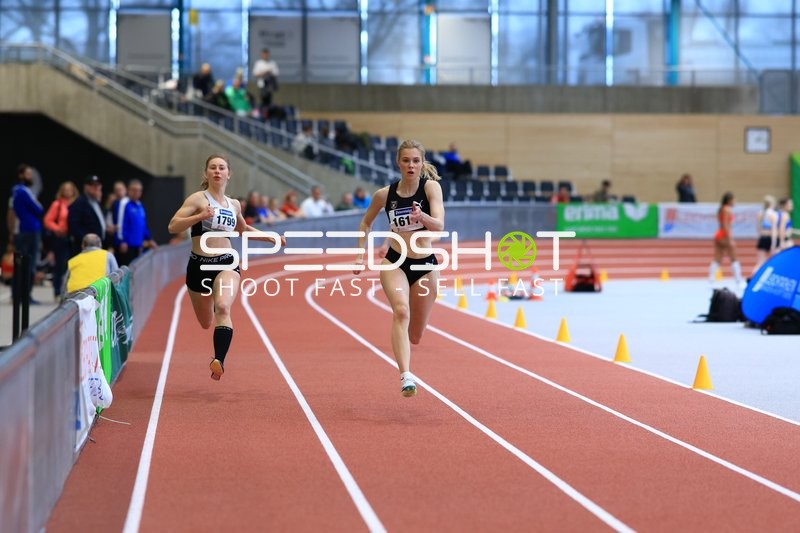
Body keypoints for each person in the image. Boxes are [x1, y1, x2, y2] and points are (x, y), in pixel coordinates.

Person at [168, 155, 284, 381]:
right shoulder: (198, 199)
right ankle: (214, 317)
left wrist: (270, 237)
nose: (217, 171)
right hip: (199, 266)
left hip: (227, 262)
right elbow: (173, 226)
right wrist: (200, 216)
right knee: (205, 322)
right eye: (213, 168)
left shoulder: (234, 204)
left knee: (222, 307)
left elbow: (243, 230)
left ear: (228, 174)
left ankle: (218, 360)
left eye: (222, 168)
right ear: (206, 173)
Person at [352, 139, 445, 397]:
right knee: (401, 312)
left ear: (422, 163)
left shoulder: (431, 188)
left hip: (425, 264)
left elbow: (439, 225)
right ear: (398, 163)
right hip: (395, 261)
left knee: (415, 335)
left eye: (416, 161)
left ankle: (410, 345)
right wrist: (360, 254)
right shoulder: (384, 195)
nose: (411, 165)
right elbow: (366, 222)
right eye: (406, 161)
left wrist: (422, 217)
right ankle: (406, 376)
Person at [11, 164, 44, 304]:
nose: (31, 177)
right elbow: (39, 209)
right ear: (21, 175)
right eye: (28, 174)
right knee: (27, 264)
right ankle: (24, 296)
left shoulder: (18, 191)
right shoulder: (22, 190)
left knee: (23, 264)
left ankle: (19, 295)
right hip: (28, 231)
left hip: (26, 230)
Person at [43, 181, 78, 301]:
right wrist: (58, 229)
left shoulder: (77, 203)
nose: (68, 192)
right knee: (60, 266)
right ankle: (58, 291)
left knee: (74, 265)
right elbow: (47, 220)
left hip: (74, 238)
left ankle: (72, 290)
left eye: (70, 189)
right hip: (62, 238)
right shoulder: (57, 204)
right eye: (65, 190)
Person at [114, 179, 157, 266]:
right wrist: (122, 241)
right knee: (125, 270)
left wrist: (149, 239)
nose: (136, 192)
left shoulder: (140, 205)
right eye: (133, 190)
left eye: (138, 190)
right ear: (128, 190)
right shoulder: (124, 203)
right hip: (126, 245)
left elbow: (143, 225)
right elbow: (121, 223)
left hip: (138, 245)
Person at [709, 192, 743, 287]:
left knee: (717, 258)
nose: (735, 201)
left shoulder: (721, 209)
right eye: (734, 199)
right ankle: (738, 281)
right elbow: (725, 225)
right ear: (729, 200)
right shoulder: (727, 210)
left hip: (719, 234)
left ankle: (711, 280)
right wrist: (729, 239)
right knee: (734, 258)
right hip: (724, 235)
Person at [68, 175, 106, 257]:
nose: (96, 188)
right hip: (86, 248)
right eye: (93, 185)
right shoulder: (79, 203)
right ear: (86, 187)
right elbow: (74, 226)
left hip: (98, 246)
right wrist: (87, 241)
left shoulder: (96, 202)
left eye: (98, 185)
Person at [752, 195, 778, 275]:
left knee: (760, 262)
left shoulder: (760, 213)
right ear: (772, 204)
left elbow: (758, 228)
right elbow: (774, 229)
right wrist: (774, 243)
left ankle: (753, 277)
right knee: (775, 261)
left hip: (763, 238)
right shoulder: (773, 214)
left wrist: (760, 237)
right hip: (770, 238)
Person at [251, 48, 280, 114]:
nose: (265, 56)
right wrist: (265, 72)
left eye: (266, 54)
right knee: (263, 99)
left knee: (269, 100)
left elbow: (276, 73)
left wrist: (270, 72)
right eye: (264, 54)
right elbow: (255, 74)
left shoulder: (272, 63)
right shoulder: (258, 63)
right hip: (262, 85)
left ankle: (268, 113)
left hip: (270, 85)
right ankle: (262, 112)